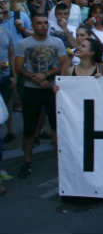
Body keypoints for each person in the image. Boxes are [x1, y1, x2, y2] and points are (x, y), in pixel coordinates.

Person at [14, 13, 68, 178]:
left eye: (45, 23)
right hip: (32, 90)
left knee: (56, 126)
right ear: (32, 25)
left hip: (51, 89)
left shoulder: (57, 42)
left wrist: (47, 75)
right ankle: (27, 162)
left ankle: (63, 164)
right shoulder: (24, 44)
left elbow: (64, 63)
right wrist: (36, 78)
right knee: (29, 128)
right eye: (39, 23)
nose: (43, 26)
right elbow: (19, 67)